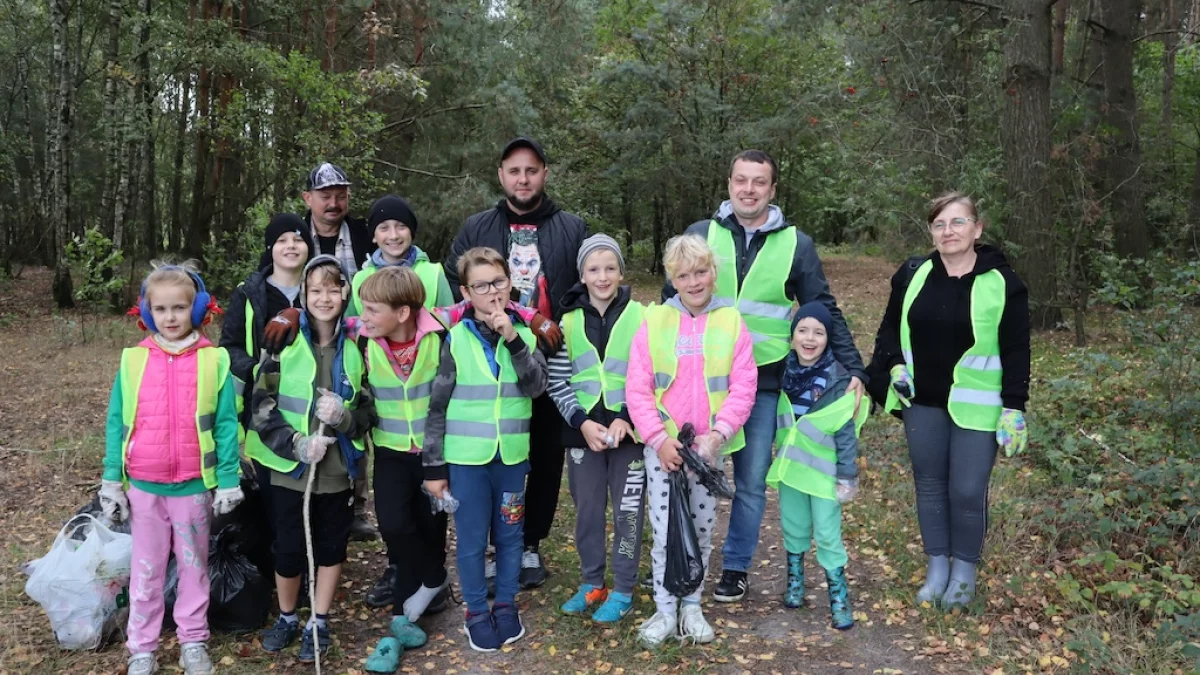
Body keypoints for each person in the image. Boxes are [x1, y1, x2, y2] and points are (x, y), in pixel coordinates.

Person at [663, 149, 866, 603]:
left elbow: (824, 308)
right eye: (741, 180)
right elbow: (668, 300)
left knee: (751, 480)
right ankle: (680, 557)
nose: (748, 189)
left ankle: (735, 568)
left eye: (759, 182)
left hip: (764, 380)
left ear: (772, 190)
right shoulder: (702, 233)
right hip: (700, 378)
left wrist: (854, 368)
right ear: (729, 184)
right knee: (692, 472)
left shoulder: (797, 244)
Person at [868, 191, 1030, 608]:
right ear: (931, 231)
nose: (948, 231)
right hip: (922, 402)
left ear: (977, 229)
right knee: (930, 486)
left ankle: (964, 574)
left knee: (966, 489)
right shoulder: (914, 274)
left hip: (978, 404)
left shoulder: (1002, 283)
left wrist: (1014, 407)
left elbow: (1016, 349)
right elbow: (888, 330)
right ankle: (937, 565)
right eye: (939, 224)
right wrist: (894, 366)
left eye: (958, 222)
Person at [443, 137, 586, 588]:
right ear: (501, 176)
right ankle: (491, 544)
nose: (522, 179)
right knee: (493, 454)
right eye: (513, 171)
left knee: (543, 455)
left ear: (544, 173)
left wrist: (553, 323)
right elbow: (457, 286)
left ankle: (529, 544)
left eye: (531, 170)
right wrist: (520, 317)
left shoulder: (572, 228)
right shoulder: (476, 227)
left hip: (548, 355)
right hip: (490, 358)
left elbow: (585, 286)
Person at [98, 262, 243, 675]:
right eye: (160, 310)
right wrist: (112, 479)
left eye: (179, 308)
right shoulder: (132, 361)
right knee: (146, 569)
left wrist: (229, 480)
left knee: (194, 568)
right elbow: (116, 421)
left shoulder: (214, 360)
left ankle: (193, 641)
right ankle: (142, 647)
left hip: (194, 487)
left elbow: (228, 425)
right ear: (147, 313)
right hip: (144, 486)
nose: (171, 317)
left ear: (197, 309)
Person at [628, 234, 757, 647]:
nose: (694, 281)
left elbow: (743, 385)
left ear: (713, 273)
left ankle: (692, 606)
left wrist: (718, 436)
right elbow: (638, 388)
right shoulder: (654, 322)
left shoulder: (732, 321)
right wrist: (658, 439)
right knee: (667, 529)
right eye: (684, 275)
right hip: (664, 447)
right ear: (673, 279)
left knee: (700, 528)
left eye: (701, 271)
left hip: (708, 449)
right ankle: (665, 609)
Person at [422, 247, 549, 652]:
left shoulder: (526, 336)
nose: (492, 292)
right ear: (466, 292)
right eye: (481, 285)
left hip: (510, 459)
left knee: (511, 536)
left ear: (510, 284)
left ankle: (507, 606)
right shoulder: (455, 339)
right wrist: (434, 468)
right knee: (473, 540)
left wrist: (513, 339)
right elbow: (437, 407)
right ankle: (477, 611)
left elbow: (535, 387)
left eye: (498, 282)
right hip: (467, 462)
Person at [252, 255, 373, 662]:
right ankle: (287, 616)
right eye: (316, 289)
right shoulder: (282, 341)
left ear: (346, 294)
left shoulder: (359, 346)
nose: (325, 297)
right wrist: (297, 444)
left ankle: (319, 620)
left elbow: (370, 412)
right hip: (290, 471)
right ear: (303, 294)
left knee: (331, 547)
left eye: (333, 288)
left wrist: (345, 417)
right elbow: (261, 404)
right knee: (287, 547)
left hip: (338, 471)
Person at [546, 234, 646, 624]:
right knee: (587, 510)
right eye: (593, 269)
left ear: (621, 272)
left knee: (627, 511)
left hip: (629, 433)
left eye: (609, 268)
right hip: (582, 432)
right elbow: (558, 382)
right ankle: (592, 582)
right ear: (582, 275)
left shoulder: (643, 316)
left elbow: (651, 374)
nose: (602, 276)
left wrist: (627, 416)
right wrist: (581, 422)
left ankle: (622, 587)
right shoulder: (565, 322)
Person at [354, 267, 450, 673]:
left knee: (430, 529)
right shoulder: (361, 339)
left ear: (405, 311)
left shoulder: (441, 336)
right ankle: (433, 577)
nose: (365, 317)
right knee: (394, 526)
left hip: (433, 455)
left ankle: (406, 614)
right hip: (391, 452)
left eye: (373, 310)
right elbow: (323, 315)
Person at [765, 302, 869, 630]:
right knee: (793, 527)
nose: (810, 339)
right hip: (792, 473)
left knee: (826, 533)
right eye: (803, 330)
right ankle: (795, 581)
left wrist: (847, 474)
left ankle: (838, 594)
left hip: (825, 477)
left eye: (819, 332)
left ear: (828, 338)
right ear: (792, 335)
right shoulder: (782, 374)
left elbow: (845, 431)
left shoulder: (838, 380)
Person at [220, 213, 314, 520]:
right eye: (282, 240)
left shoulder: (322, 290)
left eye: (298, 239)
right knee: (274, 495)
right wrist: (257, 370)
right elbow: (229, 346)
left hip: (312, 404)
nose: (291, 246)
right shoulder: (249, 293)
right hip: (264, 406)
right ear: (270, 248)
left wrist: (302, 313)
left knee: (314, 492)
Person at [302, 162, 378, 540]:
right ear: (308, 199)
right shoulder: (296, 235)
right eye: (325, 195)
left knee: (353, 416)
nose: (333, 203)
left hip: (359, 341)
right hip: (310, 339)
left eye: (340, 195)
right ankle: (311, 492)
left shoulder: (364, 234)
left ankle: (357, 505)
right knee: (310, 413)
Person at [347, 194, 453, 318]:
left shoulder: (433, 275)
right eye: (384, 228)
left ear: (411, 232)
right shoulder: (361, 279)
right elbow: (350, 330)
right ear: (374, 236)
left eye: (401, 226)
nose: (393, 235)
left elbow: (451, 326)